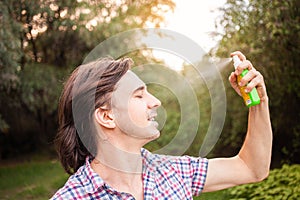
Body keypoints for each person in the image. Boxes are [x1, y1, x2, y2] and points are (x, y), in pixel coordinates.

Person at [51, 51, 272, 199]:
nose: (155, 101)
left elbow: (251, 168)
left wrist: (259, 103)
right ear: (107, 117)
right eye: (138, 96)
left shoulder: (174, 172)